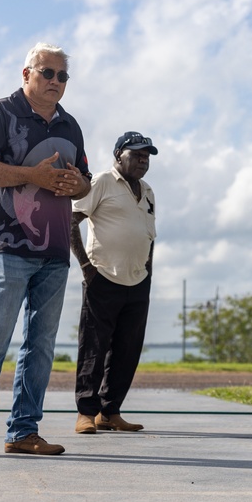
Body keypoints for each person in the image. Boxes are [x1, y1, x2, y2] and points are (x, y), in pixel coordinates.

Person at [0, 42, 91, 459]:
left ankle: (24, 432)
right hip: (7, 246)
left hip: (53, 251)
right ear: (26, 73)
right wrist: (32, 176)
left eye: (62, 76)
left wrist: (76, 186)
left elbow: (85, 180)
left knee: (41, 344)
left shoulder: (70, 126)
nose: (55, 81)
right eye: (47, 73)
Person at [69, 132, 158, 434]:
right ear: (119, 155)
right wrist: (85, 266)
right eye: (136, 154)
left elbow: (149, 236)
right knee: (94, 347)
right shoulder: (103, 182)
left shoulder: (147, 191)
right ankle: (85, 412)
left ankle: (110, 412)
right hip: (103, 277)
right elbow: (72, 221)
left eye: (147, 155)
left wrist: (149, 270)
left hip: (138, 281)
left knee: (127, 350)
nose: (143, 160)